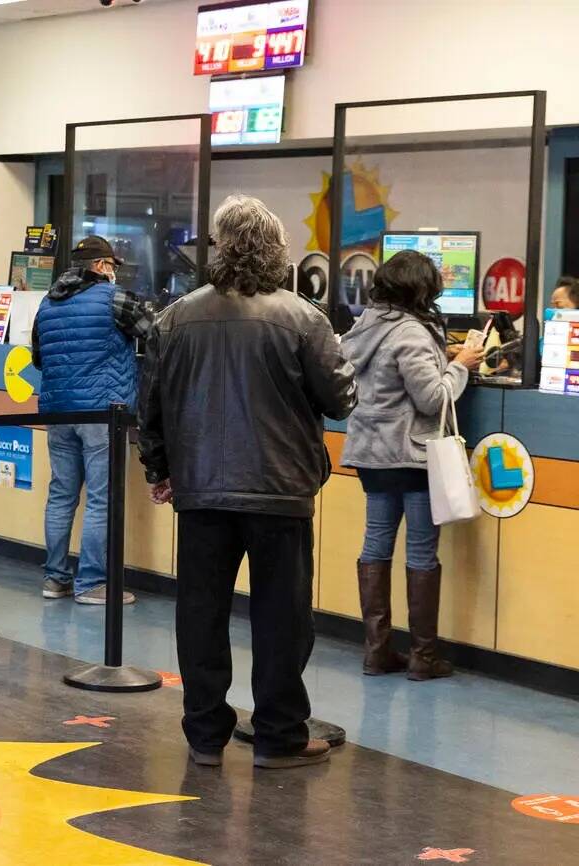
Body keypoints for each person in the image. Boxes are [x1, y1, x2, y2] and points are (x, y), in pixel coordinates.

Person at [137, 195, 357, 770]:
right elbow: (341, 398)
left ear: (218, 248)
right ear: (277, 252)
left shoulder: (175, 316)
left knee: (200, 613)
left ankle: (205, 737)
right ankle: (280, 736)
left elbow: (151, 404)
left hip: (201, 487)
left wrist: (160, 469)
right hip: (281, 489)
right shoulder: (304, 318)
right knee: (282, 618)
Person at [340, 251, 484, 681]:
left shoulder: (364, 326)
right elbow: (434, 399)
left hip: (371, 454)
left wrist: (447, 359)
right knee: (421, 552)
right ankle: (423, 656)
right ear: (419, 290)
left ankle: (377, 651)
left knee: (376, 546)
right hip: (412, 456)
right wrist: (460, 366)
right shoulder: (412, 334)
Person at [31, 235, 152, 605]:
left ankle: (55, 579)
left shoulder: (46, 303)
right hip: (103, 413)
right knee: (101, 499)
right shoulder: (116, 299)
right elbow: (159, 334)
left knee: (62, 495)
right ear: (101, 266)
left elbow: (38, 358)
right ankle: (92, 584)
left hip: (59, 411)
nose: (116, 273)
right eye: (113, 266)